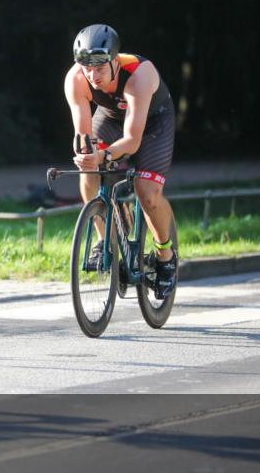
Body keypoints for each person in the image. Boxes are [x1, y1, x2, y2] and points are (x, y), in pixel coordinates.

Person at [64, 24, 178, 299]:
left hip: (152, 123)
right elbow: (83, 132)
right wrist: (86, 153)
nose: (93, 76)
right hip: (111, 117)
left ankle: (166, 255)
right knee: (89, 170)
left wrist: (104, 154)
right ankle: (105, 240)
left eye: (100, 68)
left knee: (147, 193)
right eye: (87, 67)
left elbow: (132, 141)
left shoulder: (139, 74)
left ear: (115, 61)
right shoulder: (75, 79)